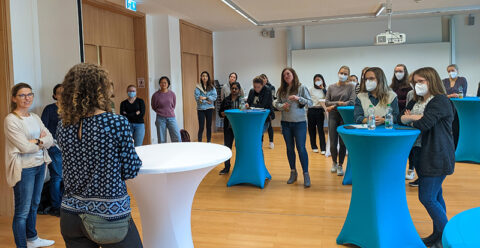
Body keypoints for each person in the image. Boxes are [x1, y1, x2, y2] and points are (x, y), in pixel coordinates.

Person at [57, 63, 142, 247]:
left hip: (70, 214)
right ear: (100, 89)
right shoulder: (115, 123)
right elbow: (130, 170)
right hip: (108, 215)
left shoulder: (63, 125)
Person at [400, 67, 455, 248]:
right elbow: (401, 118)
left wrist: (412, 118)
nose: (417, 85)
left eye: (421, 81)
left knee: (427, 198)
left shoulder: (440, 101)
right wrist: (411, 118)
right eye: (415, 82)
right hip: (422, 154)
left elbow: (425, 123)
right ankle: (437, 237)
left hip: (437, 155)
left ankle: (449, 238)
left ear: (431, 81)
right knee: (436, 196)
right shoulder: (416, 101)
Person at [5, 83, 55, 248]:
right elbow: (24, 147)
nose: (27, 98)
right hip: (24, 168)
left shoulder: (35, 117)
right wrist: (40, 141)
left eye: (29, 94)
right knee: (22, 211)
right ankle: (22, 244)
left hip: (40, 164)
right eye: (22, 95)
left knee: (34, 204)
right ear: (14, 98)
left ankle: (32, 239)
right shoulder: (11, 120)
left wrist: (38, 141)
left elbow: (49, 139)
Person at [274, 68, 313, 187]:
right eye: (284, 75)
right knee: (289, 149)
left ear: (293, 75)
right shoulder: (281, 90)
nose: (286, 76)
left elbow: (310, 102)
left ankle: (306, 174)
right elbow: (276, 103)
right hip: (286, 123)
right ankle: (293, 172)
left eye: (288, 74)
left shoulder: (301, 87)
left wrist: (298, 98)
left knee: (301, 148)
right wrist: (281, 106)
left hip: (300, 123)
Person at [325, 65, 356, 176]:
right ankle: (334, 162)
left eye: (345, 74)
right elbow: (327, 102)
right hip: (333, 115)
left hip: (345, 116)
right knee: (333, 142)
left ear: (348, 76)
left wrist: (336, 104)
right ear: (338, 73)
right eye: (341, 73)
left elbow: (352, 101)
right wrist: (339, 103)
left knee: (343, 142)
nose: (343, 75)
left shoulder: (351, 87)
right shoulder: (331, 87)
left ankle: (340, 165)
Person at [40, 84, 64, 217]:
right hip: (54, 147)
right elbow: (43, 128)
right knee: (57, 176)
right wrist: (52, 143)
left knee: (66, 177)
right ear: (55, 95)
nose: (62, 95)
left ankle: (64, 203)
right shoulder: (49, 109)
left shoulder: (71, 109)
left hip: (68, 148)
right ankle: (56, 206)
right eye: (59, 93)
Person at [218, 82, 245, 175]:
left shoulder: (242, 100)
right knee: (227, 147)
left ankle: (240, 167)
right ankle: (226, 167)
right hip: (228, 128)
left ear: (239, 90)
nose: (234, 90)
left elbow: (245, 113)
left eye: (236, 89)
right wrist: (222, 113)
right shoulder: (226, 100)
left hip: (239, 128)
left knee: (240, 148)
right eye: (232, 88)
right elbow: (220, 112)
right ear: (230, 89)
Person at [151, 76, 181, 143]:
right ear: (159, 84)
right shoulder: (155, 95)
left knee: (177, 138)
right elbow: (153, 106)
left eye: (165, 83)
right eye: (161, 83)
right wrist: (161, 112)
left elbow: (173, 105)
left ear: (168, 84)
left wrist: (168, 111)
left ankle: (178, 151)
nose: (163, 84)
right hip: (160, 118)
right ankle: (163, 153)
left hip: (171, 118)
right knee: (162, 140)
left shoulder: (172, 94)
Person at [194, 71, 217, 142]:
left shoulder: (212, 87)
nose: (204, 77)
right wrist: (207, 100)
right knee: (201, 127)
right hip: (200, 109)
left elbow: (214, 96)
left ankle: (208, 141)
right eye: (203, 76)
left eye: (206, 76)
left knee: (208, 126)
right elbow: (197, 98)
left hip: (209, 108)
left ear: (208, 77)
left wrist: (205, 98)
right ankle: (200, 142)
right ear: (201, 77)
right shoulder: (198, 87)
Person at [308, 74, 327, 154]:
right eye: (316, 80)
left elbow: (328, 97)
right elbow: (307, 100)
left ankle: (323, 148)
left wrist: (323, 89)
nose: (317, 81)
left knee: (320, 130)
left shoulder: (324, 89)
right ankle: (314, 146)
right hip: (311, 110)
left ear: (322, 80)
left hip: (320, 111)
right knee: (311, 129)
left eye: (319, 79)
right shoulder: (310, 89)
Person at [259, 74, 276, 149]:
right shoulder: (259, 87)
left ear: (267, 79)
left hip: (269, 107)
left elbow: (272, 97)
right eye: (261, 78)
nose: (263, 80)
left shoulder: (271, 87)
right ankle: (261, 141)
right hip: (260, 109)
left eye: (264, 78)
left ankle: (271, 141)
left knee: (269, 125)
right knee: (261, 125)